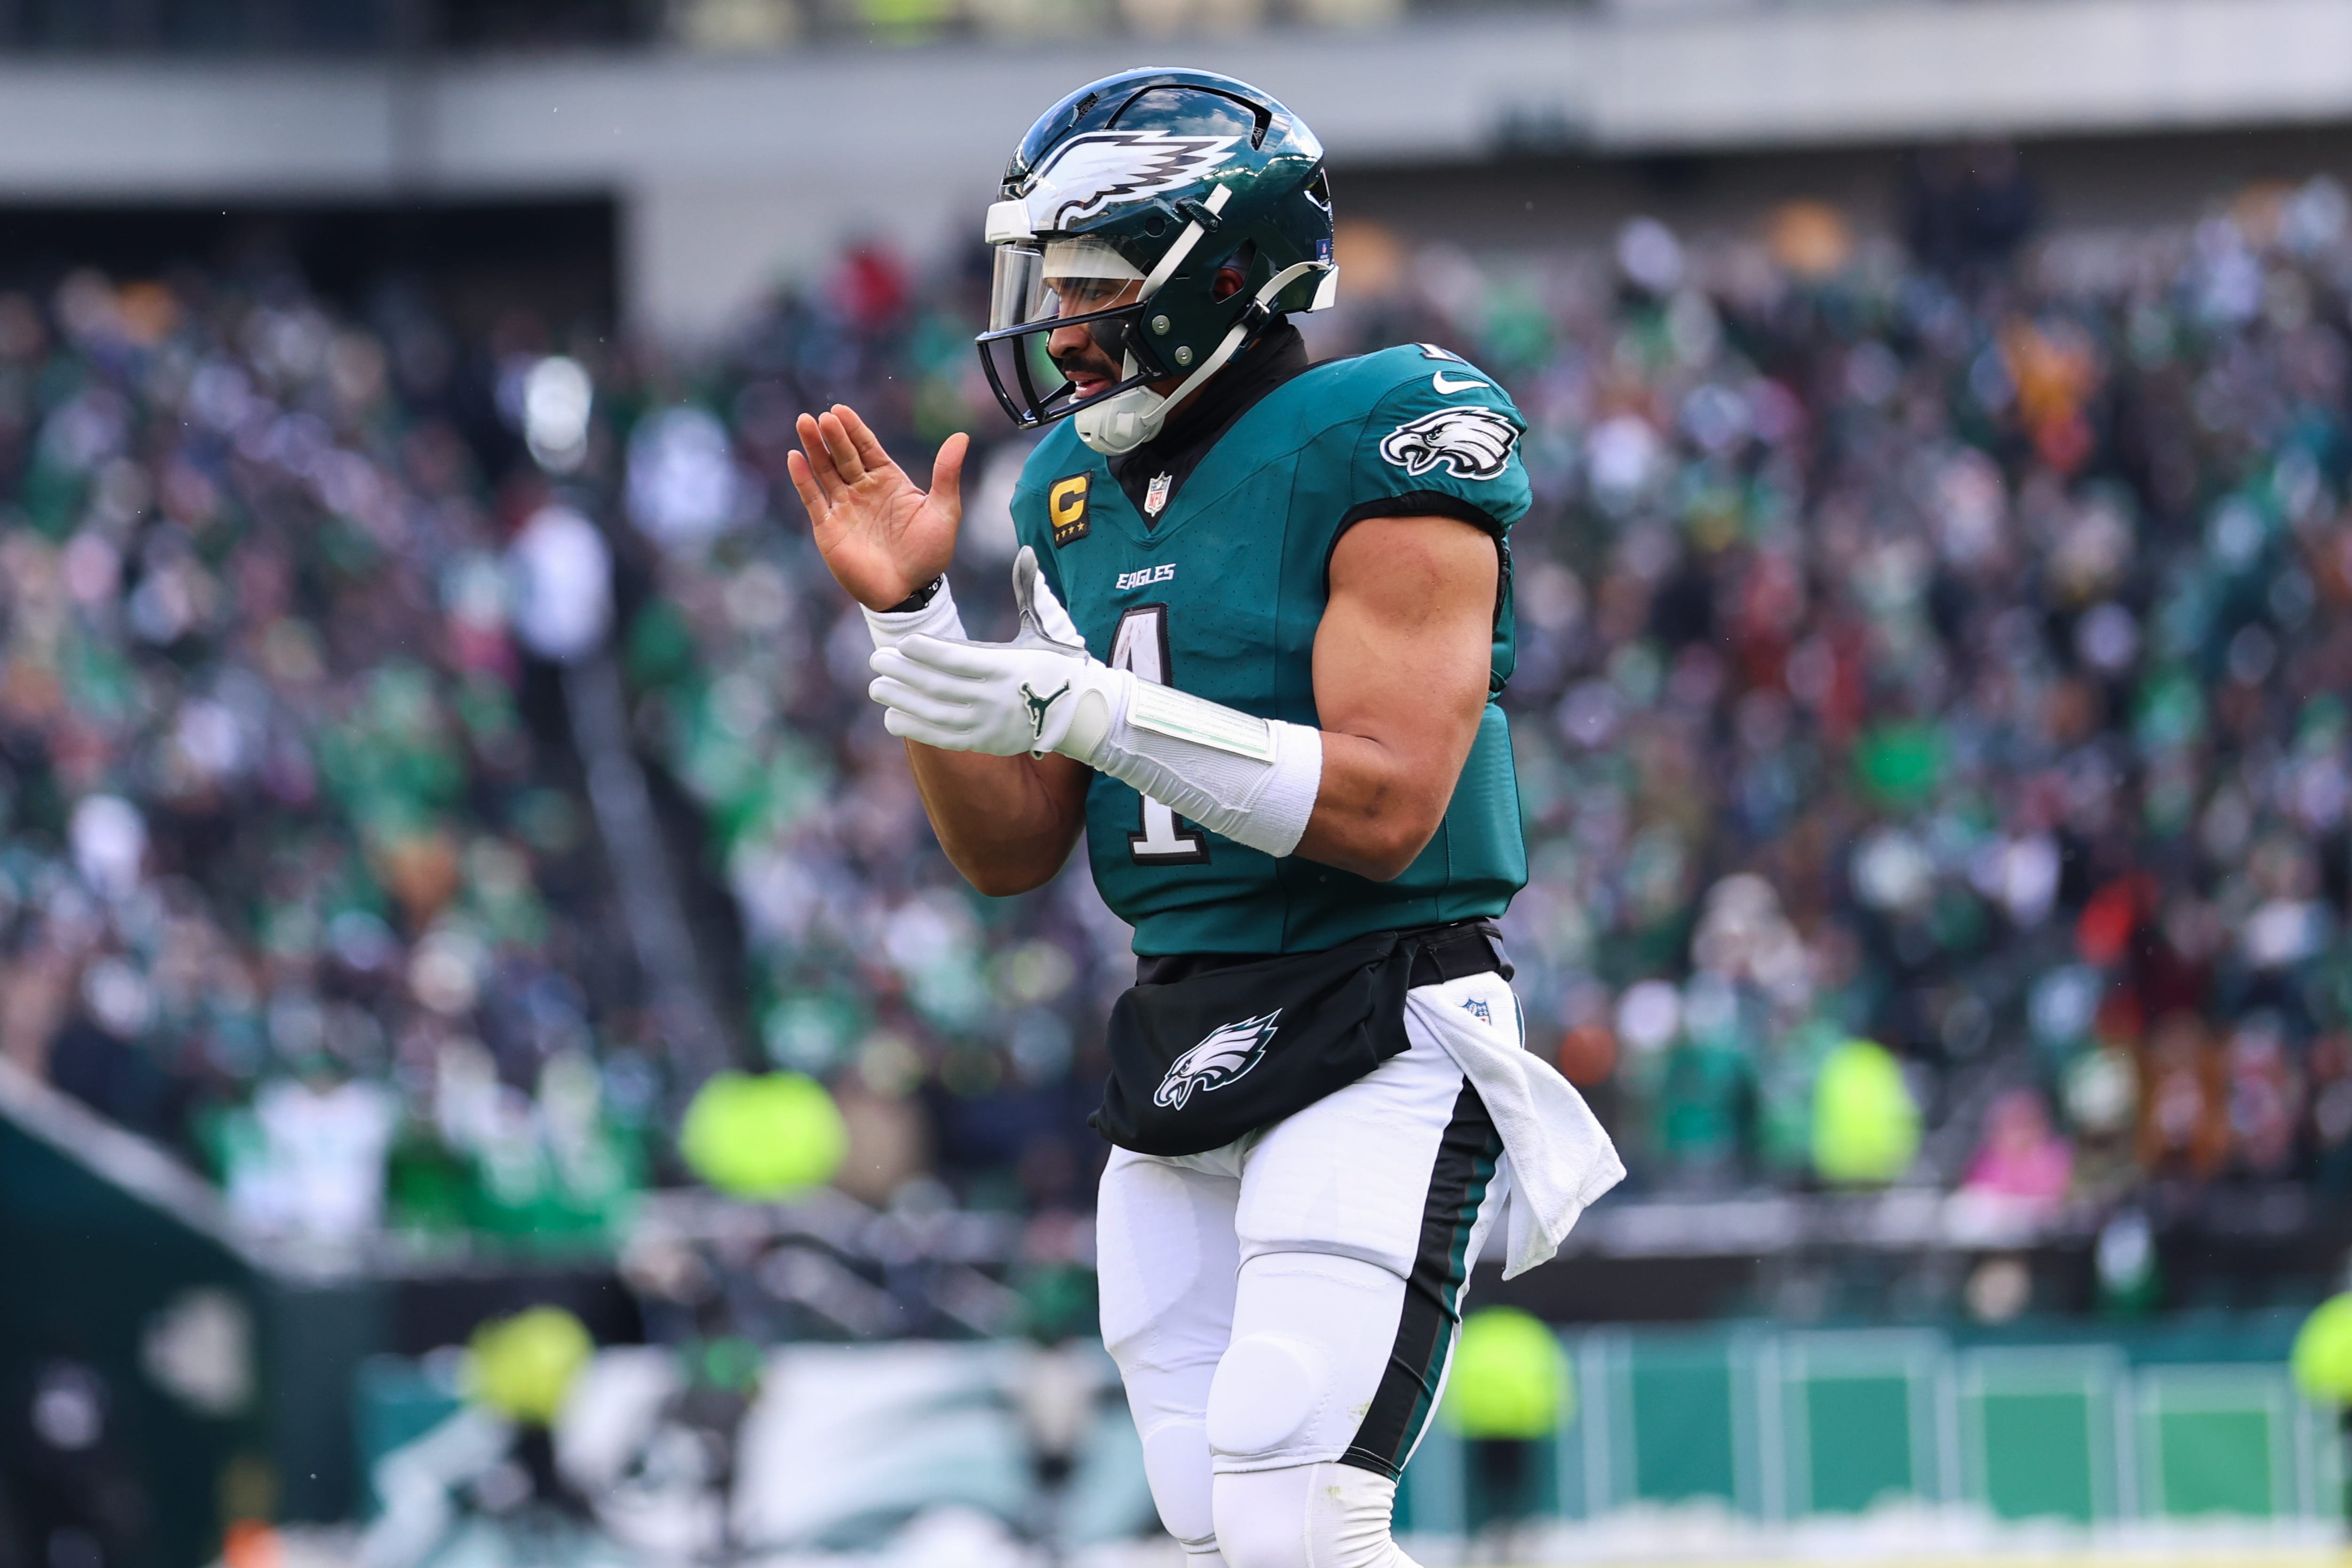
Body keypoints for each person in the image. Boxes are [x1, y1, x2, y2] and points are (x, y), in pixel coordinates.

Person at [786, 68, 1621, 1568]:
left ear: (1220, 272)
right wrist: (915, 625)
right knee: (1207, 1513)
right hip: (1181, 1021)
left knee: (1304, 1512)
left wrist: (1090, 709)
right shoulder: (1067, 493)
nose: (1062, 325)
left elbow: (1385, 804)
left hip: (1379, 1009)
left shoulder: (1393, 428)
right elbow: (1012, 848)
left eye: (1098, 286)